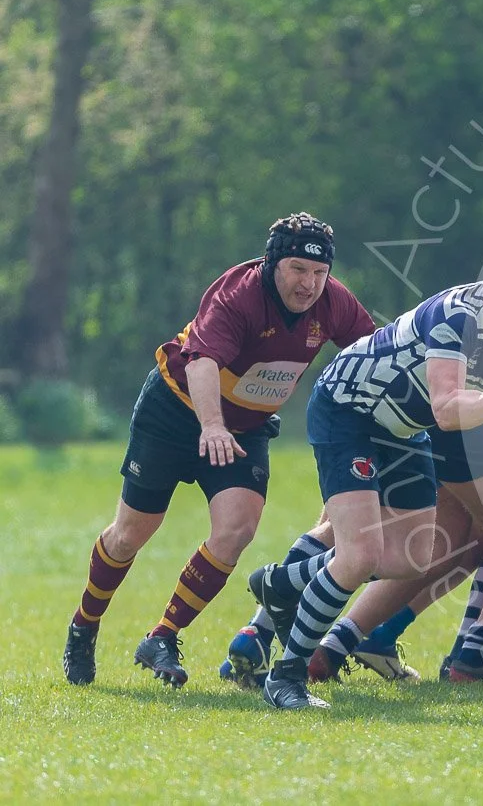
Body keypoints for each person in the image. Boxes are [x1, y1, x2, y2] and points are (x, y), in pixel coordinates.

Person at [251, 218, 483, 709]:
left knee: (414, 558)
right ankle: (286, 677)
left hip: (405, 427)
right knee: (358, 556)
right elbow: (446, 408)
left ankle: (281, 581)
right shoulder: (458, 314)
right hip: (349, 409)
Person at [61, 213, 374, 689]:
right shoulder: (239, 293)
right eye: (297, 270)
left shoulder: (334, 303)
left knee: (236, 529)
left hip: (245, 428)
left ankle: (162, 636)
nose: (309, 284)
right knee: (130, 535)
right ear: (272, 264)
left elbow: (372, 352)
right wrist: (210, 425)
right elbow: (203, 362)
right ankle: (84, 624)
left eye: (318, 273)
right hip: (176, 411)